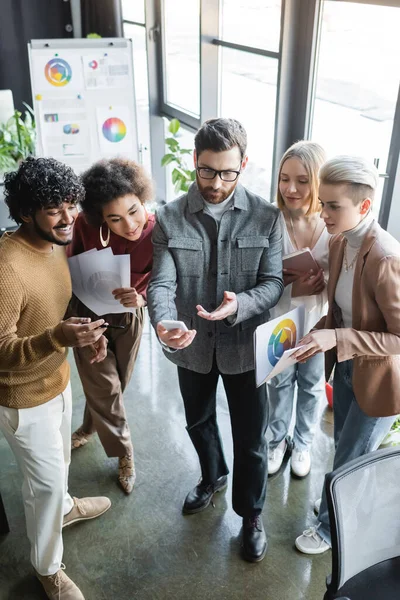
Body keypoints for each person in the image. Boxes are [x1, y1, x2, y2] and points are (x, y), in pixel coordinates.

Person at [147, 118, 284, 562]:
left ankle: (251, 514)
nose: (217, 182)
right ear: (194, 161)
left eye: (228, 172)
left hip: (247, 347)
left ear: (243, 165)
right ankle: (212, 477)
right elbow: (161, 286)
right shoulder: (168, 218)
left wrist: (240, 304)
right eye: (207, 171)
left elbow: (273, 282)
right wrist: (164, 321)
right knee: (198, 421)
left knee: (251, 438)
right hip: (192, 347)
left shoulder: (268, 216)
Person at [0, 157, 111, 600]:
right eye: (54, 209)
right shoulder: (6, 267)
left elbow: (52, 309)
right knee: (43, 484)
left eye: (71, 204)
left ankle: (64, 509)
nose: (69, 218)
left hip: (57, 378)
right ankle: (48, 568)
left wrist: (80, 336)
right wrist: (55, 337)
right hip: (22, 396)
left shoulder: (53, 243)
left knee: (57, 468)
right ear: (26, 212)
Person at [293, 156, 398, 554]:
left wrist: (336, 336)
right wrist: (316, 336)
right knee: (347, 453)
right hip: (349, 366)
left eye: (333, 206)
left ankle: (329, 529)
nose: (323, 214)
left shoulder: (387, 258)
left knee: (351, 458)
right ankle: (347, 508)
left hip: (381, 379)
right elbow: (342, 312)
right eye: (323, 203)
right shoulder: (339, 243)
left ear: (365, 207)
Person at [67, 158, 155, 494]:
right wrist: (77, 321)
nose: (129, 225)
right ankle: (125, 453)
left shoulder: (158, 230)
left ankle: (89, 428)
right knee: (105, 385)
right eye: (114, 219)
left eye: (133, 211)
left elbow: (163, 278)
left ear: (142, 198)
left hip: (130, 317)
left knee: (116, 384)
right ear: (100, 218)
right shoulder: (84, 226)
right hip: (89, 314)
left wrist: (142, 297)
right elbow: (71, 269)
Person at [267, 141, 329, 478]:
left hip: (319, 321)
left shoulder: (332, 223)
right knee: (279, 383)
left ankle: (303, 443)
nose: (291, 189)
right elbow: (257, 277)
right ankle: (277, 439)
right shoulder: (271, 220)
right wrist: (293, 284)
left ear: (318, 181)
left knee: (312, 384)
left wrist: (325, 281)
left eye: (303, 180)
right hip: (280, 317)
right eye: (284, 179)